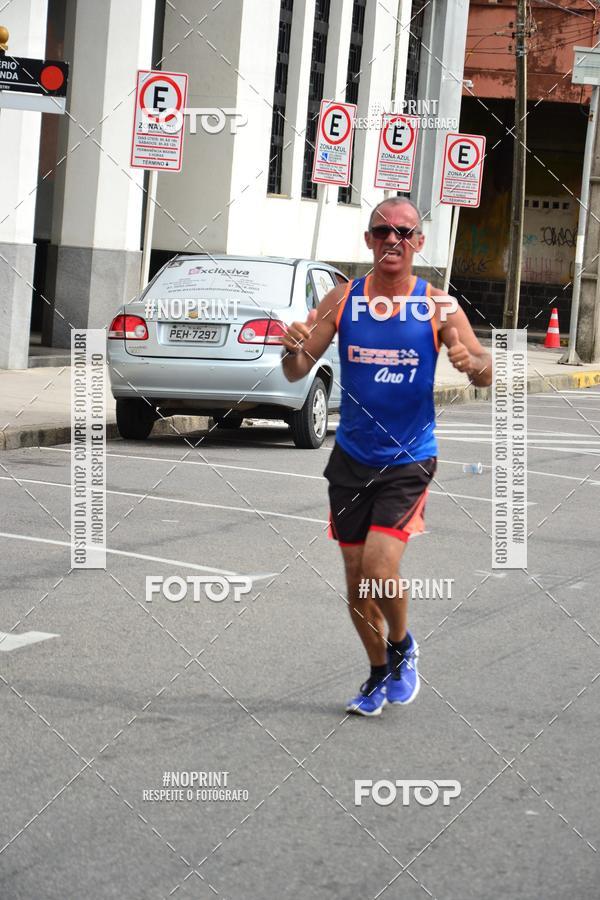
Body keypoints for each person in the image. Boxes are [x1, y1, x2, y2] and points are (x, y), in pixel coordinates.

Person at [281, 197, 492, 716]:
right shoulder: (343, 298)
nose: (391, 240)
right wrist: (294, 347)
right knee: (356, 583)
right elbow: (294, 370)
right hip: (351, 457)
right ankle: (378, 673)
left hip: (408, 458)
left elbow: (486, 371)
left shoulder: (438, 306)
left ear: (419, 242)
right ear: (369, 241)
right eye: (381, 231)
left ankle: (401, 642)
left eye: (403, 232)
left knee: (378, 566)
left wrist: (472, 362)